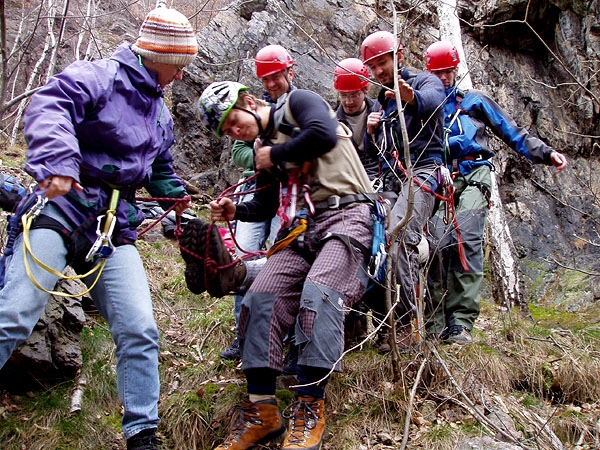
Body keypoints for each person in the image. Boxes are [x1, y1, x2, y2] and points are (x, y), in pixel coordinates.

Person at [0, 6, 197, 449]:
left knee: (139, 328)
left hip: (113, 228)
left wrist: (178, 200)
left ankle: (142, 433)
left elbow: (160, 168)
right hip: (61, 208)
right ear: (156, 52)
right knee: (14, 314)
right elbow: (50, 105)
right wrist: (61, 164)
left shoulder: (160, 114)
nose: (181, 76)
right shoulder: (99, 76)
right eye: (179, 65)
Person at [197, 80, 374, 450]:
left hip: (348, 215)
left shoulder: (297, 103)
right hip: (301, 228)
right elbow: (265, 203)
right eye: (226, 131)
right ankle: (263, 413)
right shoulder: (263, 147)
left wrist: (274, 156)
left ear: (248, 101)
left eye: (232, 121)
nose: (233, 131)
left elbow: (323, 134)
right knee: (258, 299)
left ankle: (309, 408)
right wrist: (236, 210)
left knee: (319, 293)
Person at [424, 41, 568, 344]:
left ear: (456, 69)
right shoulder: (425, 106)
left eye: (448, 72)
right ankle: (434, 324)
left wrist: (545, 153)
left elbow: (511, 130)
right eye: (438, 74)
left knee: (466, 237)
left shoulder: (475, 101)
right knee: (435, 244)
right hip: (439, 177)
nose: (444, 78)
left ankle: (460, 323)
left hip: (474, 173)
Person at [360, 30, 446, 352]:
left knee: (398, 237)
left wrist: (409, 97)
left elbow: (434, 103)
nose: (380, 71)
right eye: (375, 66)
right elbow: (381, 152)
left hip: (424, 172)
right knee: (373, 242)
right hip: (397, 180)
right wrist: (371, 134)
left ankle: (408, 325)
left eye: (384, 63)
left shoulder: (425, 81)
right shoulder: (384, 101)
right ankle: (385, 324)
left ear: (399, 56)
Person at [220, 44, 296, 362]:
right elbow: (241, 152)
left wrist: (272, 156)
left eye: (276, 75)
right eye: (265, 78)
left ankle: (286, 336)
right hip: (266, 194)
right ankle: (244, 334)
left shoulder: (299, 109)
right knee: (244, 259)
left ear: (289, 72)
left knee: (282, 262)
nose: (272, 82)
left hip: (293, 200)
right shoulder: (255, 128)